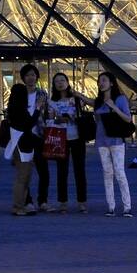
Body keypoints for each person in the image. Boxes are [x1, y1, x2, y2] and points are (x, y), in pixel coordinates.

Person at [45, 72, 88, 213]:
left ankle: (82, 202)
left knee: (79, 170)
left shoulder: (76, 99)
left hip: (77, 138)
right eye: (57, 81)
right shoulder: (52, 102)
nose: (60, 83)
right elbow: (49, 120)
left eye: (62, 80)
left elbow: (82, 114)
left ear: (68, 82)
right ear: (54, 85)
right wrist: (57, 119)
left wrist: (71, 117)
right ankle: (63, 202)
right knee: (62, 171)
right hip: (60, 139)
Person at [94, 71, 134, 217]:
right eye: (99, 81)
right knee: (107, 173)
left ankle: (127, 207)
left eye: (104, 80)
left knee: (119, 172)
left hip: (116, 139)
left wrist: (114, 107)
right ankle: (111, 207)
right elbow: (97, 120)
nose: (101, 83)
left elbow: (128, 119)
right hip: (101, 140)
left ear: (111, 83)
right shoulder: (98, 101)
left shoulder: (120, 99)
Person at [5, 83, 41, 215]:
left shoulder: (13, 108)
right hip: (22, 145)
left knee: (24, 177)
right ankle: (18, 206)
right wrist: (37, 109)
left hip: (20, 143)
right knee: (23, 177)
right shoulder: (19, 109)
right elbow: (29, 124)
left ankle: (21, 204)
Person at [21, 64, 52, 212]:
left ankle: (43, 200)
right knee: (25, 171)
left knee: (43, 170)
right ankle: (28, 201)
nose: (31, 77)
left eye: (33, 74)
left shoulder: (42, 94)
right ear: (23, 78)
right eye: (28, 75)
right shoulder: (19, 94)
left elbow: (47, 113)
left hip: (40, 134)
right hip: (24, 136)